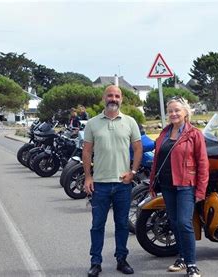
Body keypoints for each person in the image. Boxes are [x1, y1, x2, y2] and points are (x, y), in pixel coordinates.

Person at [83, 85, 142, 277]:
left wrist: (133, 171)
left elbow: (138, 148)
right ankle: (95, 262)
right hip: (99, 183)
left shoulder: (130, 122)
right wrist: (88, 177)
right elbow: (87, 151)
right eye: (110, 95)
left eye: (117, 96)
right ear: (103, 98)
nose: (113, 99)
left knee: (122, 225)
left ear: (121, 99)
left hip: (123, 184)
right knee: (97, 225)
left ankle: (121, 259)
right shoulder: (92, 123)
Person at [149, 96, 209, 277]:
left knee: (184, 223)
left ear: (185, 113)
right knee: (174, 223)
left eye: (177, 110)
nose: (174, 114)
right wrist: (152, 183)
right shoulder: (164, 133)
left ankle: (192, 265)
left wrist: (200, 190)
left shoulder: (194, 134)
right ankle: (182, 258)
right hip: (167, 185)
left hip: (185, 185)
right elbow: (157, 160)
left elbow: (203, 163)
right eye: (170, 111)